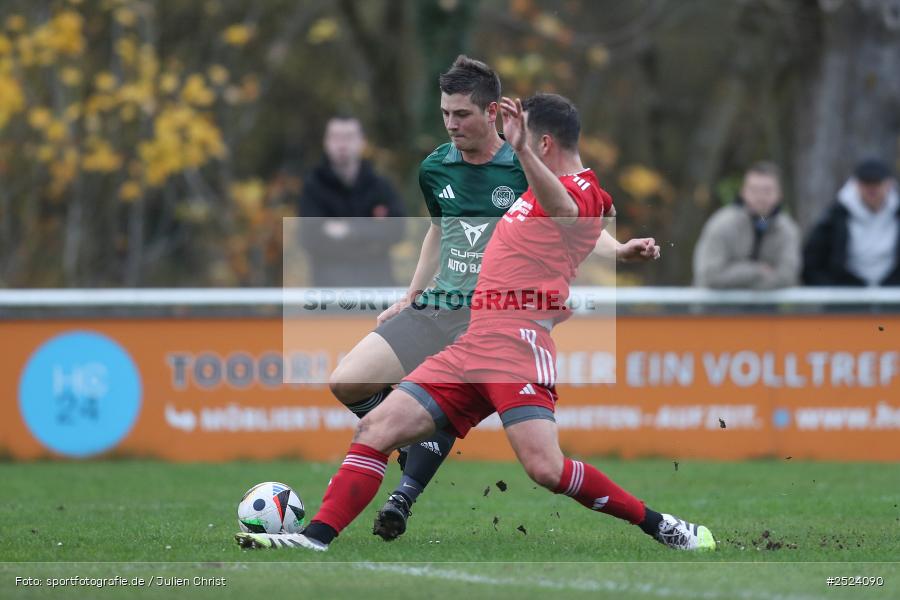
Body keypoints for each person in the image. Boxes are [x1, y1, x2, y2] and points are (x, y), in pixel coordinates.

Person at [235, 93, 714, 553]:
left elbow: (570, 215)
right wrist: (619, 248)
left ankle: (664, 527)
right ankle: (315, 537)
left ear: (542, 143)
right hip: (473, 341)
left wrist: (523, 151)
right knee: (375, 429)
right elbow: (568, 224)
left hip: (517, 344)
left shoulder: (580, 189)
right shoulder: (541, 186)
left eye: (523, 138)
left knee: (546, 469)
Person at [324, 56, 530, 541]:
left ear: (493, 111)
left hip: (487, 321)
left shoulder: (522, 168)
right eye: (445, 114)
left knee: (440, 411)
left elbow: (570, 221)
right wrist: (411, 295)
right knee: (345, 381)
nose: (451, 124)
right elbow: (438, 232)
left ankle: (404, 493)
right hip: (435, 305)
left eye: (461, 114)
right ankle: (412, 434)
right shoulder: (436, 166)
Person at [298, 115, 406, 287]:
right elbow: (309, 237)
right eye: (336, 137)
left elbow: (397, 230)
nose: (342, 144)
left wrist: (349, 231)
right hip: (330, 294)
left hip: (378, 291)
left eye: (348, 137)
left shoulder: (380, 185)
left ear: (362, 141)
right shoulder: (313, 187)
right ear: (326, 142)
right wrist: (371, 236)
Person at [693, 162, 801, 289]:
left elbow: (787, 277)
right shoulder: (721, 224)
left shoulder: (787, 230)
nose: (760, 197)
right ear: (743, 192)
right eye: (754, 190)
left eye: (767, 190)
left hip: (765, 308)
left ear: (779, 194)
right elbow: (710, 275)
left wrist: (739, 279)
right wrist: (757, 271)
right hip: (717, 308)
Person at [803, 158, 900, 286]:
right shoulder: (835, 217)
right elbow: (812, 261)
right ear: (856, 185)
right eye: (866, 184)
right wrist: (832, 289)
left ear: (888, 184)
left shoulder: (896, 213)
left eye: (876, 184)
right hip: (846, 295)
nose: (872, 190)